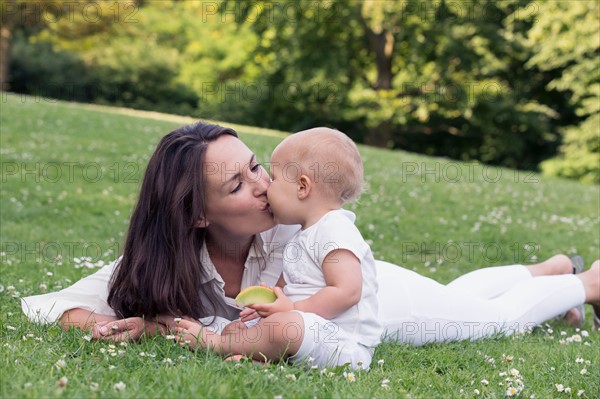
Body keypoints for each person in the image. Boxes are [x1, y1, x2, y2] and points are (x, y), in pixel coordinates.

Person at [21, 122, 600, 355]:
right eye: (240, 182)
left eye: (256, 165)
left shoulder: (298, 227)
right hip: (370, 296)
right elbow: (54, 307)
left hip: (381, 300)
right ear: (197, 214)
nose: (265, 184)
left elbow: (341, 291)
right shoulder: (164, 260)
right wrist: (121, 324)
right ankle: (544, 270)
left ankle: (585, 282)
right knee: (463, 297)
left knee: (487, 320)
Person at [166, 128, 382, 369]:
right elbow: (286, 289)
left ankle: (215, 344)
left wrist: (291, 309)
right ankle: (262, 359)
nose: (266, 186)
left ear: (302, 187)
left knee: (283, 328)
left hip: (344, 343)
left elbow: (347, 291)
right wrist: (261, 314)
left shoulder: (335, 229)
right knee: (239, 327)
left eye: (275, 178)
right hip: (308, 331)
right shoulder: (302, 235)